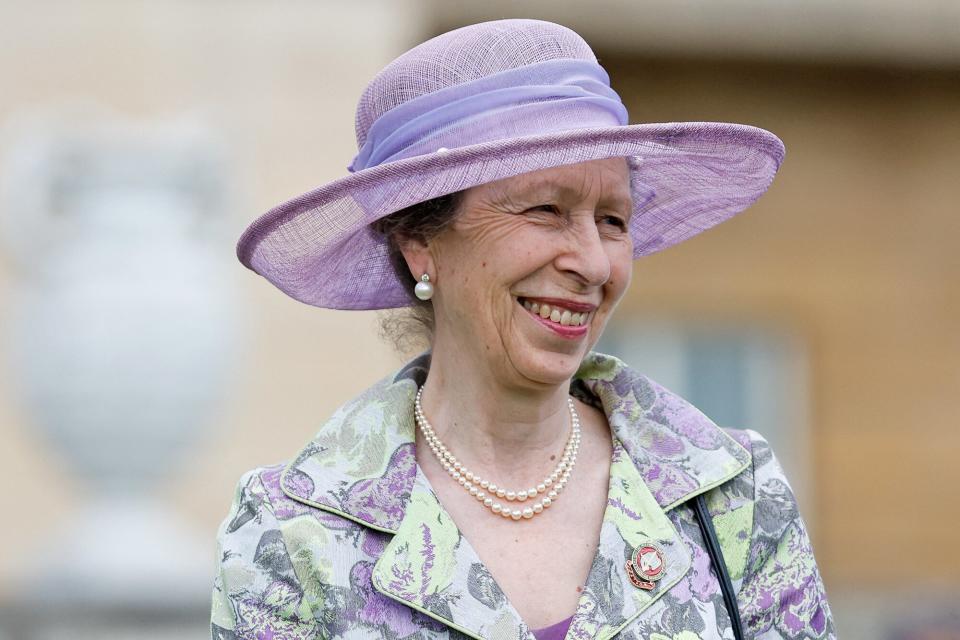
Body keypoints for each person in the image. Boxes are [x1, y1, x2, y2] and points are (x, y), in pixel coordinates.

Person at [211, 18, 835, 640]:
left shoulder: (732, 494)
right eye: (546, 210)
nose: (593, 263)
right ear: (418, 245)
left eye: (613, 220)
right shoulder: (294, 531)